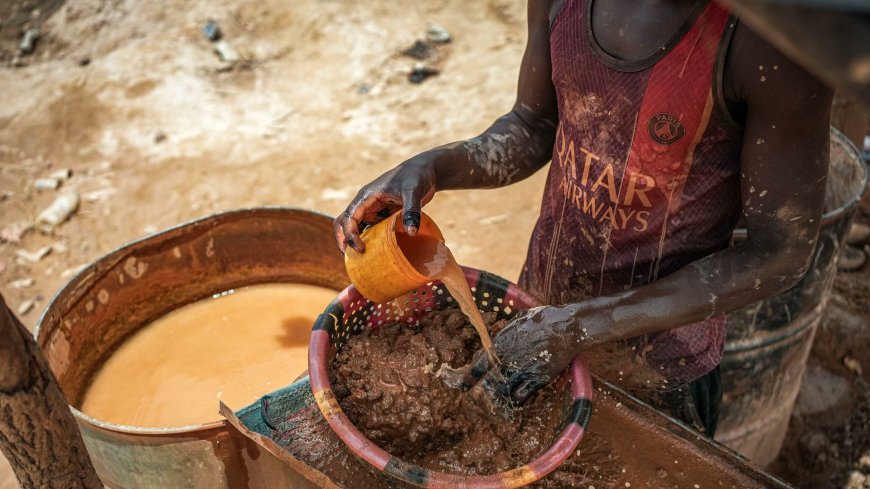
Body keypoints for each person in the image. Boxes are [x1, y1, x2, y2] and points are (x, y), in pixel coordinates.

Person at [333, 0, 833, 437]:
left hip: (656, 366)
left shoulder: (772, 46)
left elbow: (780, 251)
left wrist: (581, 326)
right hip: (537, 313)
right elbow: (534, 125)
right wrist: (433, 167)